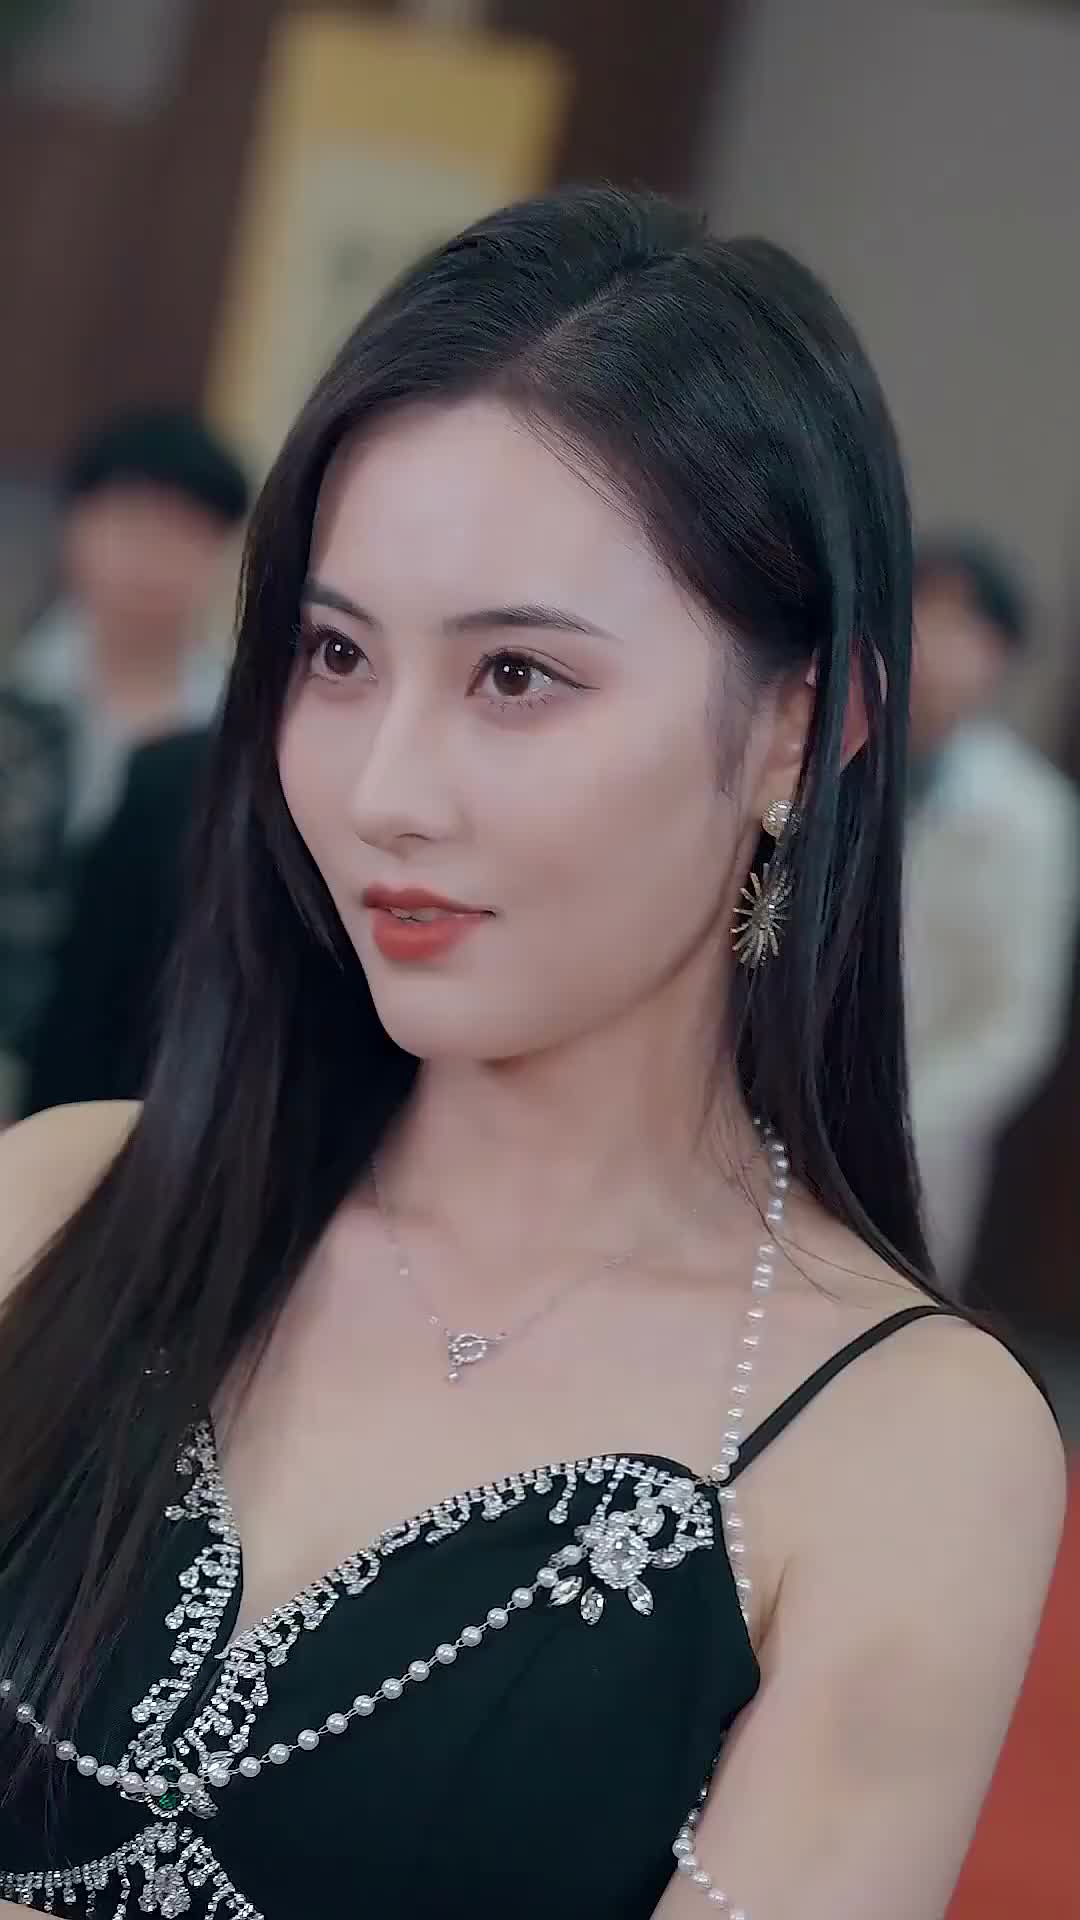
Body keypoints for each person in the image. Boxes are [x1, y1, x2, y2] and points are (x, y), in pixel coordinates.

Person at [0, 189, 1064, 1920]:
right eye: (337, 655)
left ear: (802, 732)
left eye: (515, 676)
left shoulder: (909, 1443)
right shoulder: (58, 1204)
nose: (385, 790)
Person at [0, 410, 249, 1119]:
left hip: (141, 1092)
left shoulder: (238, 744)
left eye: (182, 531)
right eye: (131, 524)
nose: (151, 558)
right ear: (76, 526)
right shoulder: (14, 705)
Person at [904, 537, 1080, 1285]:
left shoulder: (1032, 814)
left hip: (921, 1139)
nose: (931, 643)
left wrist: (901, 1116)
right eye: (920, 610)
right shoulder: (809, 760)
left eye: (962, 625)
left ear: (999, 657)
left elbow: (1013, 1024)